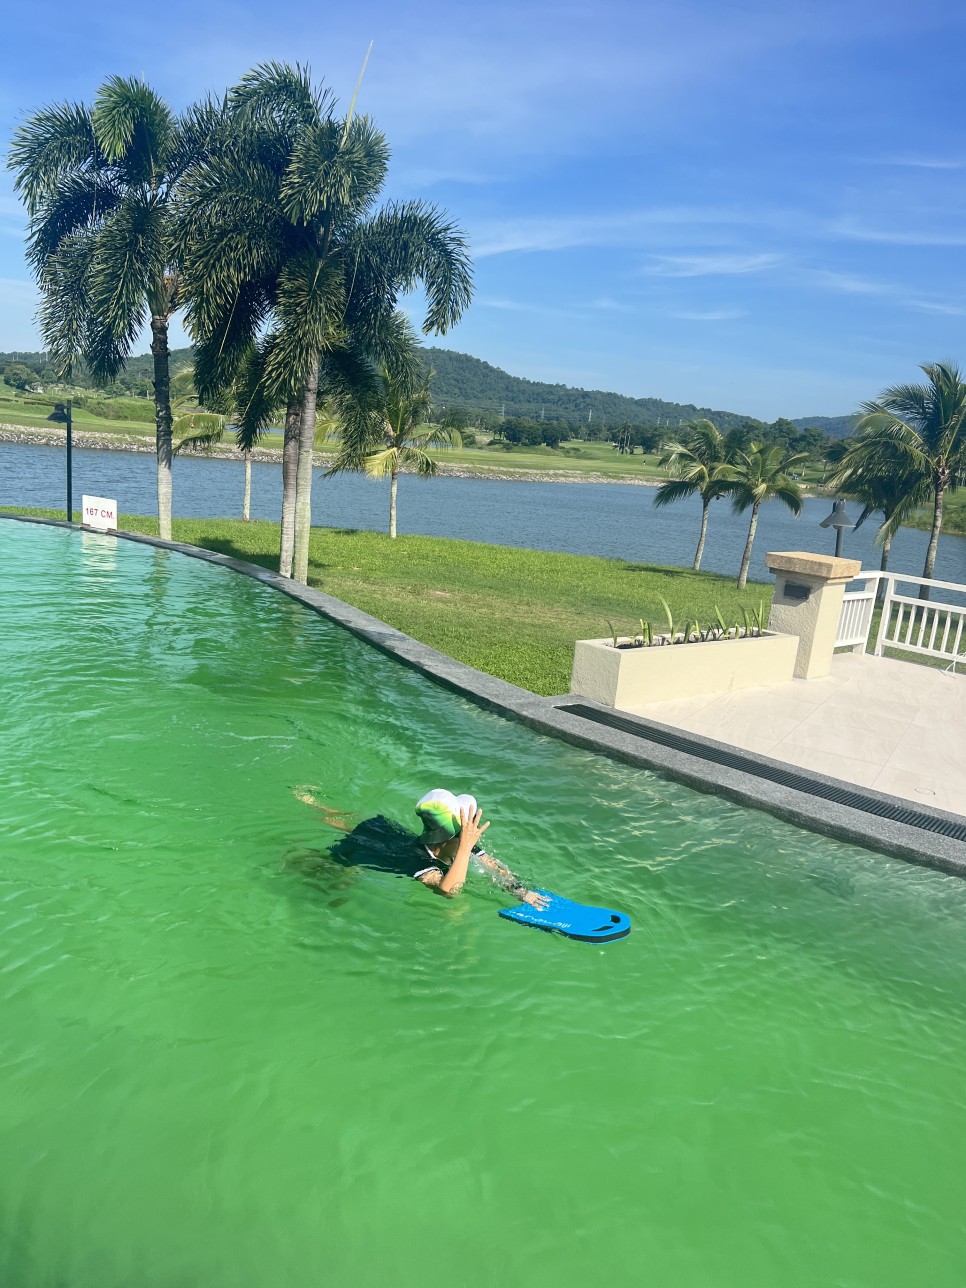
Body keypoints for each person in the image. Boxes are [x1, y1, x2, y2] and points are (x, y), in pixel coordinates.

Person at [294, 785, 549, 908]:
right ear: (448, 839)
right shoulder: (421, 864)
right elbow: (448, 891)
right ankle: (310, 806)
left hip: (394, 837)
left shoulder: (462, 843)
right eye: (466, 834)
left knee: (357, 823)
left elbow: (496, 868)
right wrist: (463, 850)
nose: (472, 839)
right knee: (348, 852)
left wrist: (520, 892)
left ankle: (313, 804)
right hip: (381, 853)